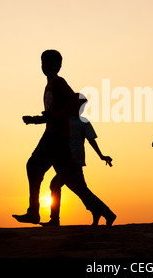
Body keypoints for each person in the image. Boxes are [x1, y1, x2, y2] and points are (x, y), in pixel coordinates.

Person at [12, 49, 80, 224]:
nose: (46, 66)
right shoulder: (49, 86)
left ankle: (34, 213)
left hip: (56, 136)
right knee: (70, 181)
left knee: (33, 166)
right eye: (43, 63)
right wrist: (34, 120)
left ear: (58, 65)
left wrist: (56, 117)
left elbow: (75, 102)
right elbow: (52, 114)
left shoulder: (58, 82)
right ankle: (50, 217)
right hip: (54, 134)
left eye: (50, 63)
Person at [41, 94, 116, 226]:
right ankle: (105, 213)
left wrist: (101, 155)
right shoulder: (63, 120)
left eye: (83, 105)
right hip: (65, 161)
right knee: (81, 190)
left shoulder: (82, 122)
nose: (81, 107)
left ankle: (55, 220)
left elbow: (91, 140)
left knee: (56, 185)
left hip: (74, 161)